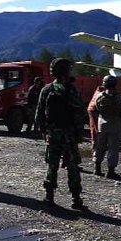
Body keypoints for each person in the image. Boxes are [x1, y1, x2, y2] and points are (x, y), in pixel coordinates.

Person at [35, 58, 85, 209]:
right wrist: (78, 132)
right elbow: (80, 112)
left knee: (52, 165)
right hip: (69, 135)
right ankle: (76, 199)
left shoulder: (47, 89)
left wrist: (44, 131)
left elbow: (39, 114)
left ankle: (49, 197)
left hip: (53, 134)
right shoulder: (71, 89)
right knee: (73, 166)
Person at [93, 75, 121, 178]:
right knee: (113, 148)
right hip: (114, 124)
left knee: (100, 147)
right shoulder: (118, 96)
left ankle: (97, 168)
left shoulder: (100, 96)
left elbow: (96, 107)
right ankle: (110, 171)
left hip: (101, 124)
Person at [87, 85, 104, 156]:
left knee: (93, 127)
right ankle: (96, 146)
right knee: (97, 128)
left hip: (91, 108)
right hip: (95, 109)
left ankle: (94, 144)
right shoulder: (102, 93)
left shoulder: (98, 91)